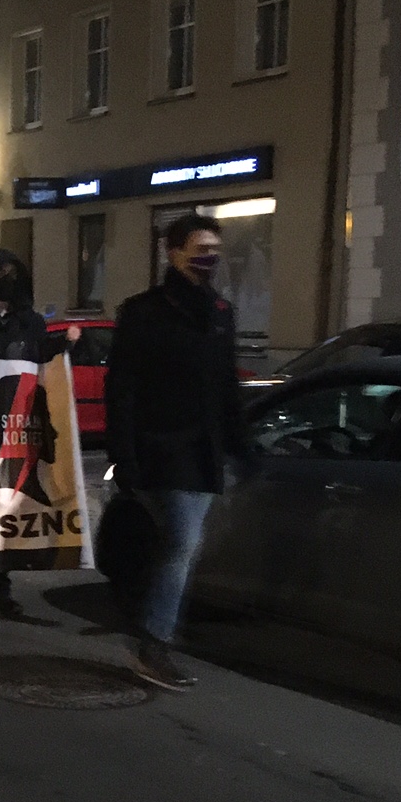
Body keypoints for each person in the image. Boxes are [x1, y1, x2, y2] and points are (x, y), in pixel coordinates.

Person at [106, 214, 248, 692]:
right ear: (174, 253)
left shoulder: (220, 311)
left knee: (177, 547)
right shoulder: (145, 312)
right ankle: (153, 644)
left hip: (206, 451)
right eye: (200, 248)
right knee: (181, 547)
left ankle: (147, 625)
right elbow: (121, 389)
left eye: (214, 249)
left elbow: (227, 386)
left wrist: (241, 445)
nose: (210, 257)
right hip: (164, 449)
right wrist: (124, 456)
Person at [0, 248, 78, 619]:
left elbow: (38, 358)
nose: (6, 279)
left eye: (11, 272)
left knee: (10, 504)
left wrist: (63, 345)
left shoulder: (30, 322)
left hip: (19, 425)